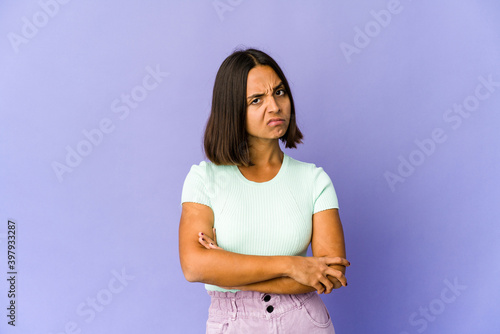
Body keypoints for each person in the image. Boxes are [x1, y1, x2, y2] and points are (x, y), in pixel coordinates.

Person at [179, 48, 349, 333]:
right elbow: (194, 266)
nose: (275, 106)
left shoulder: (314, 180)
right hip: (233, 322)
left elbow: (330, 273)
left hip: (304, 320)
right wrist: (293, 266)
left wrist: (226, 269)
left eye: (280, 93)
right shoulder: (203, 179)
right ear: (232, 109)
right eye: (256, 100)